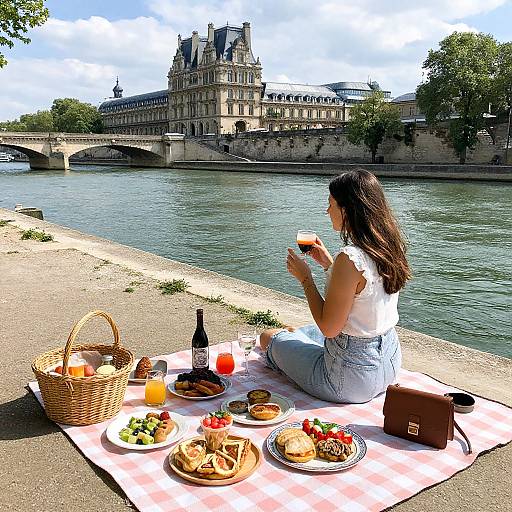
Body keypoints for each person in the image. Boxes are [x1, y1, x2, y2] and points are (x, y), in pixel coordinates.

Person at [260, 169, 411, 403]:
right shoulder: (390, 247)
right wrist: (329, 265)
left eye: (330, 204)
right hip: (388, 364)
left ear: (347, 209)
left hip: (347, 378)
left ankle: (286, 341)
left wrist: (306, 279)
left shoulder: (350, 258)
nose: (327, 210)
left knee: (268, 338)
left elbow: (329, 329)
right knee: (303, 331)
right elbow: (363, 294)